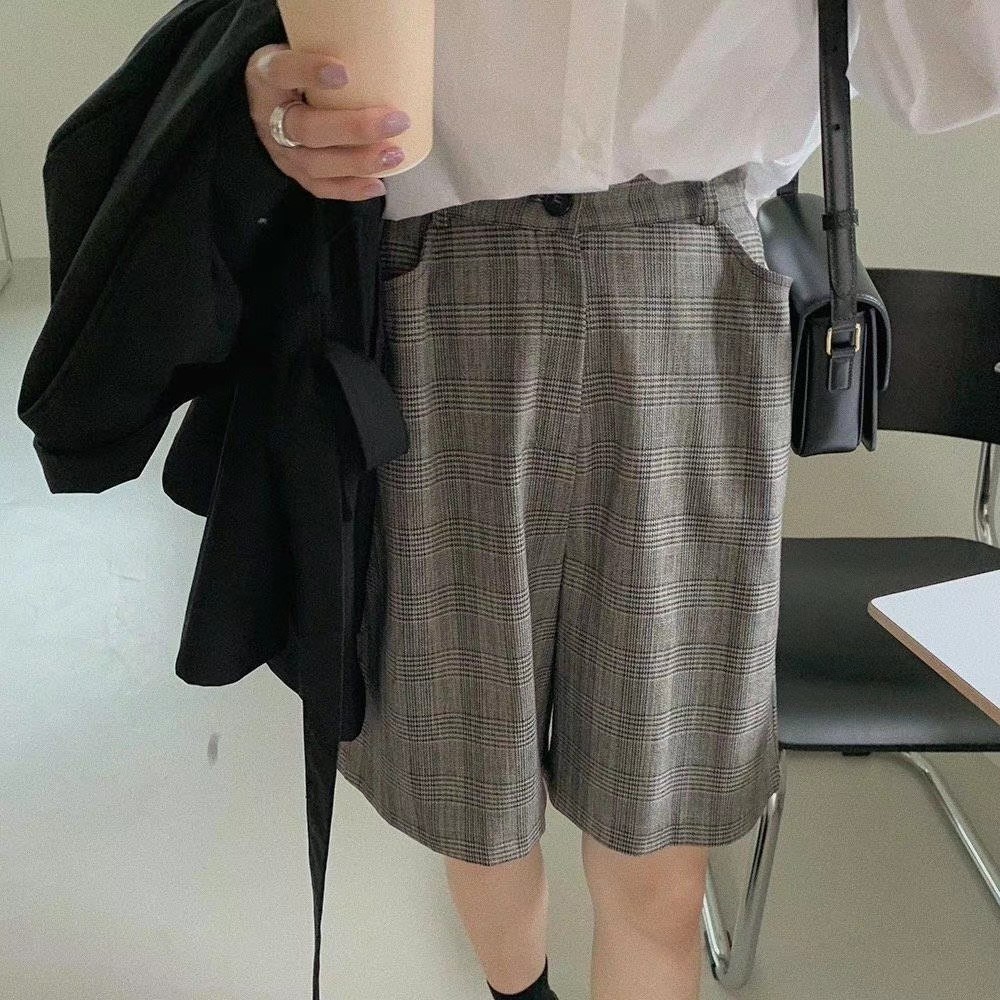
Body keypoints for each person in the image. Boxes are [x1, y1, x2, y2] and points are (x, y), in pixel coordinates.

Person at [243, 35, 793, 1000]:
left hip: (687, 268)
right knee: (473, 779)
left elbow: (939, 73)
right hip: (441, 266)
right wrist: (266, 87)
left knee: (659, 827)